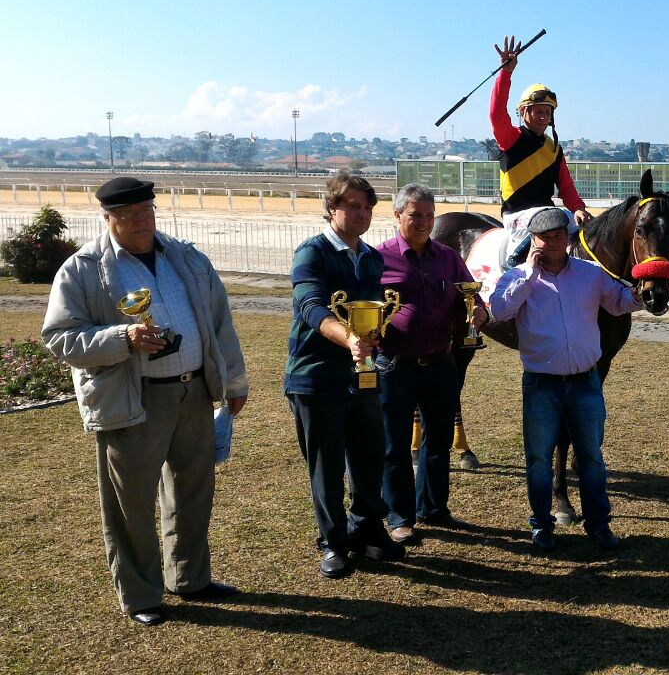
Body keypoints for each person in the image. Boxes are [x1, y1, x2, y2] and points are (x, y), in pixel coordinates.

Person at [42, 176, 248, 626]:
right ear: (107, 218)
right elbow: (59, 338)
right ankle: (140, 595)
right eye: (128, 215)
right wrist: (124, 337)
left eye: (147, 211)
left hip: (193, 391)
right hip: (132, 400)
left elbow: (219, 323)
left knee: (193, 492)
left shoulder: (187, 258)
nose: (141, 221)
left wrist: (233, 380)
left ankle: (190, 577)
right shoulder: (83, 269)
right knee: (130, 502)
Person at [488, 208, 642, 551]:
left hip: (585, 381)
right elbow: (499, 311)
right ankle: (542, 525)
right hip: (542, 384)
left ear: (567, 237)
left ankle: (598, 524)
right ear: (533, 240)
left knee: (591, 457)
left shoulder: (590, 274)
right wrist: (529, 273)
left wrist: (644, 293)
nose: (553, 242)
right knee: (539, 460)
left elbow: (618, 303)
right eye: (545, 237)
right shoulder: (516, 276)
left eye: (559, 235)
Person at [285, 171, 404, 578]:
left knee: (371, 457)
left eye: (368, 206)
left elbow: (374, 314)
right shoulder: (312, 253)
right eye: (352, 205)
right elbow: (310, 307)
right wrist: (350, 338)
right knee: (327, 465)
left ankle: (369, 532)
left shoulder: (371, 257)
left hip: (364, 376)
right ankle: (333, 543)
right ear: (332, 207)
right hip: (316, 378)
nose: (361, 213)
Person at [375, 184, 488, 544]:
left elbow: (471, 296)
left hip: (441, 363)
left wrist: (479, 313)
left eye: (429, 215)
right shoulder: (377, 259)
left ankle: (434, 507)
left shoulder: (448, 257)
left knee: (437, 441)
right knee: (394, 446)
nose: (424, 222)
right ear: (397, 216)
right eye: (415, 215)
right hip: (395, 365)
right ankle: (400, 517)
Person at [490, 35, 591, 269]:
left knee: (590, 227)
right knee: (551, 217)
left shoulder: (554, 149)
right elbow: (496, 113)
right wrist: (506, 73)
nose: (543, 117)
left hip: (548, 217)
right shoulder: (510, 137)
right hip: (517, 218)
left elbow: (567, 188)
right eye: (538, 112)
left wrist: (579, 209)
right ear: (524, 112)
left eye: (547, 113)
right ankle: (514, 262)